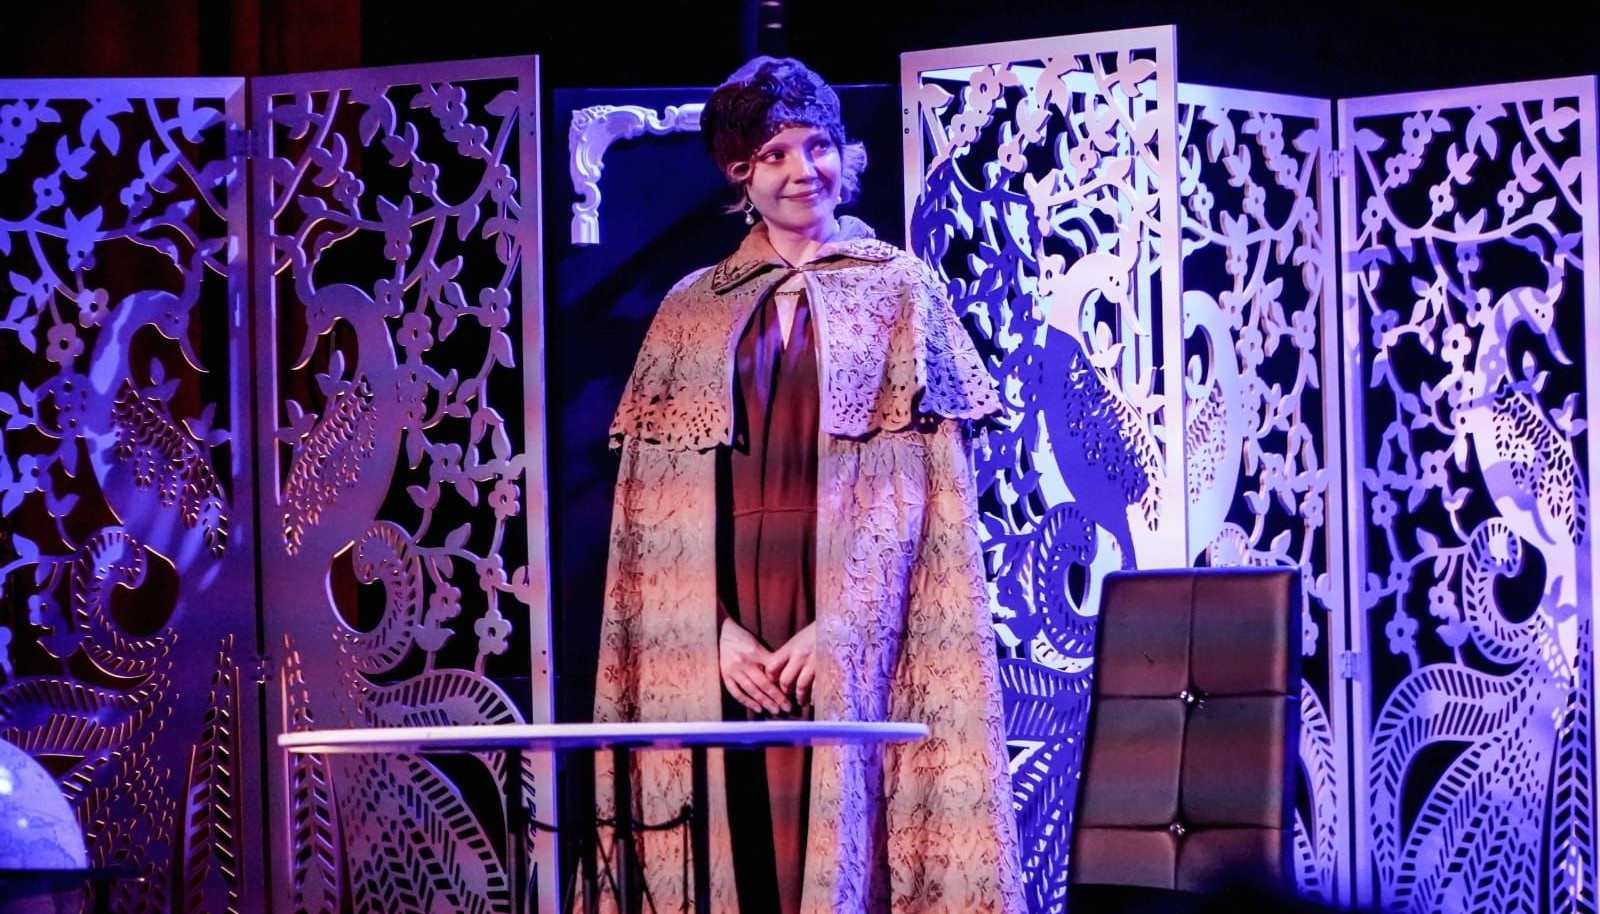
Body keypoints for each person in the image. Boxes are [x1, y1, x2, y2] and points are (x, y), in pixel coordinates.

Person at [592, 55, 1024, 914]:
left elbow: (922, 496)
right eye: (775, 155)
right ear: (740, 172)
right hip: (725, 617)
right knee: (737, 834)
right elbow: (651, 506)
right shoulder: (693, 306)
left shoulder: (899, 289)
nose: (803, 171)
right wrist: (706, 632)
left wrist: (846, 625)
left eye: (817, 146)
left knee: (837, 825)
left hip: (849, 609)